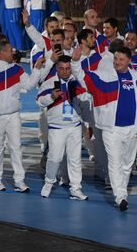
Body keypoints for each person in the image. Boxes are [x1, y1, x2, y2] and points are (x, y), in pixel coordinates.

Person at [71, 45, 137, 211]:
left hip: (133, 128)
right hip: (111, 130)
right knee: (115, 162)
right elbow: (82, 76)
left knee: (127, 164)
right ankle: (120, 197)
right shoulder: (104, 77)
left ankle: (121, 191)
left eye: (121, 59)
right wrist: (75, 62)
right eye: (116, 59)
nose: (117, 62)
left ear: (129, 61)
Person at [0, 40, 50, 192]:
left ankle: (19, 181)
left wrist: (37, 69)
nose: (14, 53)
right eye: (11, 51)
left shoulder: (16, 69)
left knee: (16, 147)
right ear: (2, 52)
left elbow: (29, 85)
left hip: (13, 115)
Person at [37, 55, 89, 200]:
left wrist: (87, 123)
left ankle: (76, 188)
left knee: (75, 159)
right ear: (57, 68)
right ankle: (48, 183)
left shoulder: (78, 82)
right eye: (62, 68)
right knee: (54, 158)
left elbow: (86, 102)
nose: (65, 71)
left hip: (75, 126)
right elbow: (39, 102)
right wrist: (51, 97)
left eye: (67, 68)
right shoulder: (49, 83)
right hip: (57, 127)